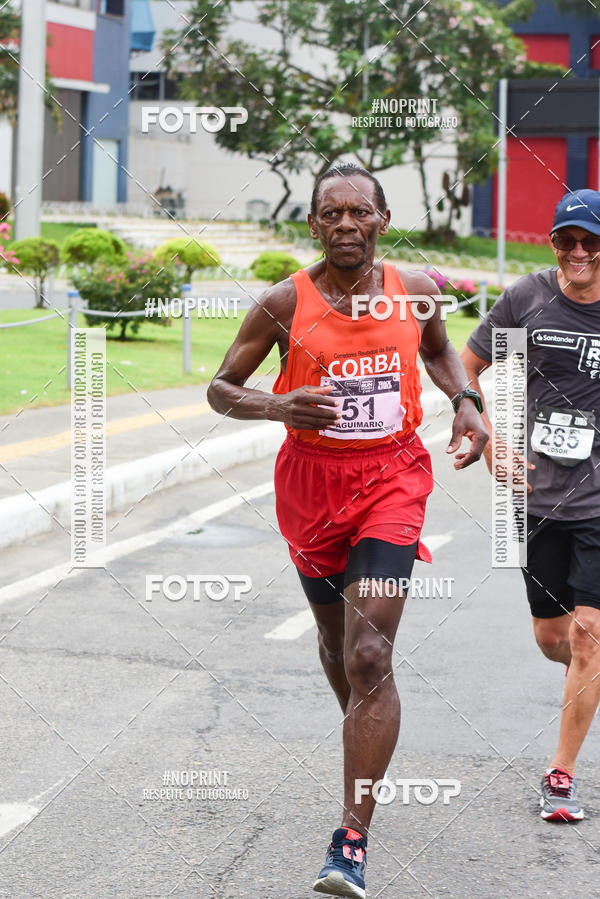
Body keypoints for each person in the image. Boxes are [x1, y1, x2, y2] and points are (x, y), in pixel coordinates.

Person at [208, 162, 488, 897]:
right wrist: (279, 407)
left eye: (358, 213)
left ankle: (351, 838)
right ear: (313, 225)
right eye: (330, 215)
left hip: (392, 479)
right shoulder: (281, 303)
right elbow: (220, 387)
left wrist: (466, 399)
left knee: (369, 651)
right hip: (311, 487)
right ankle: (367, 733)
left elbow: (436, 352)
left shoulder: (416, 290)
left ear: (381, 221)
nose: (344, 226)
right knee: (336, 647)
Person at [461, 188, 600, 823]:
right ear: (553, 244)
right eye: (567, 240)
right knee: (553, 638)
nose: (579, 252)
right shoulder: (527, 298)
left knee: (587, 636)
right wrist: (486, 436)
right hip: (537, 496)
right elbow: (465, 366)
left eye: (591, 242)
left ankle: (562, 776)